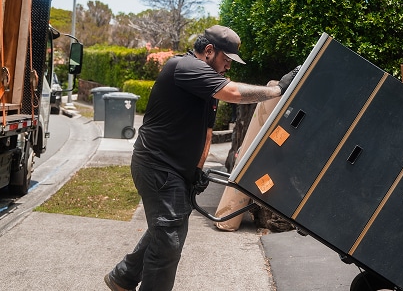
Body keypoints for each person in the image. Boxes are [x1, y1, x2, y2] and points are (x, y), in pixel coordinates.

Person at [104, 25, 298, 291]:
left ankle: (123, 277)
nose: (228, 66)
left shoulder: (205, 87)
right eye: (226, 59)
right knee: (169, 238)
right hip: (156, 165)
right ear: (209, 51)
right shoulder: (184, 67)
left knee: (166, 227)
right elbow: (234, 94)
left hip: (176, 171)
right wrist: (278, 91)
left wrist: (196, 171)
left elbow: (206, 134)